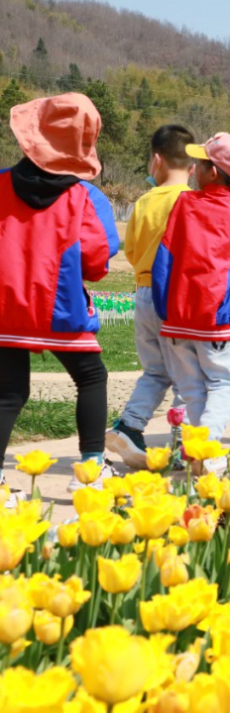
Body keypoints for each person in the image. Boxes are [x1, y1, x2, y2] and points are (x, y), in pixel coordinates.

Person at [0, 93, 120, 491]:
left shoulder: (1, 183)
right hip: (62, 307)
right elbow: (98, 258)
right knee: (91, 378)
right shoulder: (86, 197)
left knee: (9, 393)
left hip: (6, 307)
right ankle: (89, 471)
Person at [152, 132, 230, 445]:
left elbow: (164, 257)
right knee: (227, 386)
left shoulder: (184, 204)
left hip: (177, 316)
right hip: (216, 317)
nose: (195, 166)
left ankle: (201, 453)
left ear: (213, 172)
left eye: (200, 162)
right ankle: (206, 446)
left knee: (192, 392)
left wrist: (165, 309)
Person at [106, 124, 194, 470]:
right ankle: (184, 444)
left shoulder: (143, 202)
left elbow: (131, 251)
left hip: (143, 292)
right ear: (193, 166)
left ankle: (130, 425)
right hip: (176, 295)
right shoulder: (190, 201)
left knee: (156, 371)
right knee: (189, 374)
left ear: (156, 160)